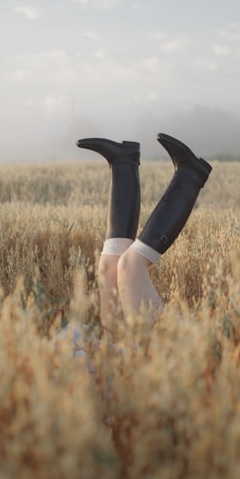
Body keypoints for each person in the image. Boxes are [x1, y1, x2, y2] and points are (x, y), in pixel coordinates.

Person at [77, 133, 212, 337]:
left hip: (112, 357)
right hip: (149, 363)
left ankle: (123, 162)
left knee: (109, 268)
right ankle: (190, 174)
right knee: (130, 266)